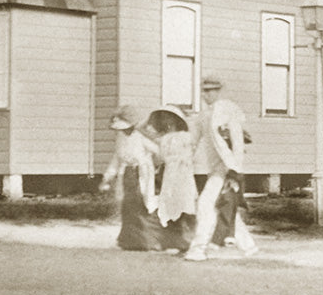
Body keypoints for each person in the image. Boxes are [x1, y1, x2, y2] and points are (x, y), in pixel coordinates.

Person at [184, 77, 258, 261]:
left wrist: (235, 169)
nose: (206, 94)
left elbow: (238, 141)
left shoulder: (228, 110)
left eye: (211, 90)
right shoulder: (203, 114)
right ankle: (249, 246)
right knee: (226, 204)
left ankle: (198, 249)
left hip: (227, 166)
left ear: (219, 91)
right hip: (215, 167)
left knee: (205, 204)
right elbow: (193, 140)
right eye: (204, 90)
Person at [99, 105, 164, 250]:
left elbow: (159, 152)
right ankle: (129, 241)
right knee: (128, 207)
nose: (123, 131)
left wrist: (153, 166)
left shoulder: (141, 137)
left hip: (141, 174)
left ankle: (148, 241)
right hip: (127, 175)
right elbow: (117, 159)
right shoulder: (121, 138)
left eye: (126, 127)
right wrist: (108, 177)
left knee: (143, 205)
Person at [145, 105, 197, 252]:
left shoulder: (186, 137)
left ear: (176, 120)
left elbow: (191, 154)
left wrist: (181, 159)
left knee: (184, 203)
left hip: (183, 173)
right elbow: (160, 157)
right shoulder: (164, 139)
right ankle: (170, 240)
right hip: (169, 174)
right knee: (169, 203)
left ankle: (189, 239)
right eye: (164, 118)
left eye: (170, 117)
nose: (167, 121)